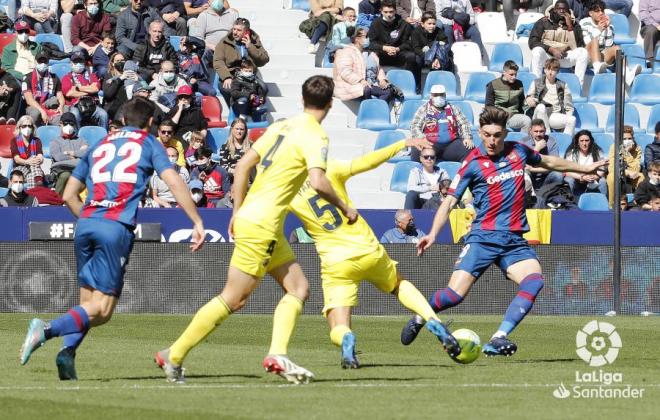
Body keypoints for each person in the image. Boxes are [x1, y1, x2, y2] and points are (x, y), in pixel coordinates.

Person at [154, 75, 358, 385]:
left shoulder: (280, 126)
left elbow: (244, 165)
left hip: (259, 220)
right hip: (264, 224)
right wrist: (345, 207)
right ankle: (175, 354)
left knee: (299, 288)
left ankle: (278, 352)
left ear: (303, 100)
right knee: (233, 299)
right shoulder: (316, 135)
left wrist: (237, 210)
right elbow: (317, 182)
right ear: (331, 104)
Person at [19, 97, 205, 381]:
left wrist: (90, 219)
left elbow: (68, 194)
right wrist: (196, 220)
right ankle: (45, 330)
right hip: (115, 226)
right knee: (103, 310)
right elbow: (174, 180)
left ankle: (67, 355)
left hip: (86, 223)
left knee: (87, 304)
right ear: (151, 122)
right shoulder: (147, 142)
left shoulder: (100, 144)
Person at [400, 106, 608, 356]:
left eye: (497, 134)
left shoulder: (518, 151)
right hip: (483, 238)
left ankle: (498, 338)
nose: (491, 140)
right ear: (480, 132)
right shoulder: (472, 163)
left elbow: (549, 161)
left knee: (534, 281)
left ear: (504, 133)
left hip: (513, 240)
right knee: (453, 296)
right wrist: (433, 233)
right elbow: (448, 202)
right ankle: (420, 317)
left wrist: (584, 168)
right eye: (487, 134)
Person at [289, 135, 462, 367]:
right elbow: (368, 162)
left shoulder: (286, 193)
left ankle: (347, 338)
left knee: (337, 325)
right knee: (398, 284)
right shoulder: (329, 170)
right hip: (366, 247)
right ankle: (432, 319)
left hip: (336, 262)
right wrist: (403, 144)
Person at [528, 0, 588, 86]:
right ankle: (536, 86)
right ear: (554, 10)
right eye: (559, 9)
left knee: (583, 52)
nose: (562, 11)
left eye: (564, 9)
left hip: (564, 57)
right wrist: (551, 49)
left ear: (568, 11)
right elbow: (532, 42)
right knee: (536, 51)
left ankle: (577, 88)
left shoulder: (575, 25)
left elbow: (579, 46)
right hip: (548, 56)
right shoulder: (543, 22)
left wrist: (570, 27)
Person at [410, 84, 474, 163]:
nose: (439, 97)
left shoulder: (453, 108)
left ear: (445, 95)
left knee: (470, 150)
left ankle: (463, 173)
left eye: (441, 95)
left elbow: (464, 123)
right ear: (431, 96)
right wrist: (421, 138)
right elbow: (415, 126)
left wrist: (467, 137)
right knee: (416, 150)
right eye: (436, 95)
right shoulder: (424, 109)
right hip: (429, 143)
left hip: (450, 144)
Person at [213, 18, 270, 105]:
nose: (235, 32)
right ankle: (235, 112)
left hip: (249, 77)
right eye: (234, 29)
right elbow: (218, 60)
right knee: (232, 91)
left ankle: (253, 112)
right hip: (232, 76)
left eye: (239, 30)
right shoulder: (225, 41)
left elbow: (264, 60)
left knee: (264, 88)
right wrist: (226, 77)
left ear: (246, 32)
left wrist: (250, 47)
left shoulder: (254, 40)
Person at [367, 1, 420, 90]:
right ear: (381, 11)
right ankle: (373, 85)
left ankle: (409, 86)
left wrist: (398, 49)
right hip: (382, 54)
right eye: (386, 12)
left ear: (395, 11)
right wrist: (384, 48)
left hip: (398, 53)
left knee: (412, 56)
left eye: (391, 12)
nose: (389, 14)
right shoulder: (375, 23)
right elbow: (371, 44)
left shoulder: (403, 23)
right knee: (371, 56)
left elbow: (409, 42)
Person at [333, 27, 395, 103]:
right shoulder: (346, 52)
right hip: (351, 85)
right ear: (357, 39)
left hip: (370, 84)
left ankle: (377, 110)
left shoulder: (371, 53)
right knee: (366, 90)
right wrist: (361, 80)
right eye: (366, 36)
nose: (368, 39)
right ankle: (368, 110)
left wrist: (382, 80)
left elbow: (379, 70)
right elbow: (345, 72)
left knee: (387, 91)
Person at [526, 58, 576, 135]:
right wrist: (529, 100)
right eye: (548, 69)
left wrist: (565, 120)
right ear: (544, 70)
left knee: (572, 119)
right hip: (539, 115)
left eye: (553, 70)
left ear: (557, 72)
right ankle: (547, 135)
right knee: (541, 107)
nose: (550, 72)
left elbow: (569, 107)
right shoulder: (536, 83)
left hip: (554, 115)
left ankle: (566, 142)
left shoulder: (563, 85)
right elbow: (528, 98)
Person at [61, 49, 109, 129]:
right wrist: (89, 90)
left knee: (103, 114)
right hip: (76, 105)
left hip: (92, 104)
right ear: (71, 63)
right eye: (76, 62)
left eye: (81, 61)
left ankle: (104, 135)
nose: (78, 64)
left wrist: (78, 88)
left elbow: (96, 88)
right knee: (75, 114)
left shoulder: (91, 75)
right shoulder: (67, 77)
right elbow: (69, 93)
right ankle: (78, 136)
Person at [485, 60, 532, 133]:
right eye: (511, 74)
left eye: (515, 74)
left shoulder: (519, 84)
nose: (514, 77)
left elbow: (521, 104)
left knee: (527, 120)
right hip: (499, 118)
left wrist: (528, 103)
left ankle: (522, 143)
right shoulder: (493, 84)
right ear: (504, 72)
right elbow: (488, 106)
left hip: (513, 116)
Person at [49, 112, 89, 196]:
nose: (68, 126)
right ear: (61, 124)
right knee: (65, 175)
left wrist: (72, 153)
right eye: (66, 123)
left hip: (78, 169)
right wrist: (76, 157)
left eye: (71, 123)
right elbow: (58, 157)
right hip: (62, 169)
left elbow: (86, 153)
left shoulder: (81, 140)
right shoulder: (55, 141)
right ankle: (57, 199)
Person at [563, 129, 607, 200]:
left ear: (590, 141)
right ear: (578, 142)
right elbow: (567, 172)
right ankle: (568, 203)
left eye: (587, 140)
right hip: (577, 179)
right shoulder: (571, 153)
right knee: (569, 180)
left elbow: (602, 168)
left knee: (602, 181)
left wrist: (595, 177)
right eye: (582, 141)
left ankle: (604, 203)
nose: (584, 143)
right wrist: (581, 177)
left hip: (593, 179)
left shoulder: (597, 152)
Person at [607, 125, 644, 208]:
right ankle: (611, 205)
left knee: (641, 176)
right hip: (619, 174)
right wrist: (626, 172)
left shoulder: (637, 149)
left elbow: (637, 168)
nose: (627, 141)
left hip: (632, 176)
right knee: (611, 177)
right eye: (624, 139)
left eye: (629, 138)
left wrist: (626, 153)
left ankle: (639, 203)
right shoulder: (614, 147)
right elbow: (611, 168)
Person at [521, 119, 564, 191]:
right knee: (524, 172)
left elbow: (554, 165)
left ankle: (552, 197)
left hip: (546, 177)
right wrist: (536, 149)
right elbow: (521, 164)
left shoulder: (551, 142)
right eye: (536, 131)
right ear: (530, 131)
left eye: (541, 131)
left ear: (545, 130)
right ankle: (528, 197)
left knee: (558, 174)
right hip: (530, 176)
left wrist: (533, 169)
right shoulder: (524, 142)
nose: (538, 134)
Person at [579, 0, 617, 74]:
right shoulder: (584, 23)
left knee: (617, 49)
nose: (601, 13)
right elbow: (586, 42)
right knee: (594, 40)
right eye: (597, 11)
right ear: (590, 13)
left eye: (602, 10)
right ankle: (597, 68)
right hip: (587, 56)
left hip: (601, 56)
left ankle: (626, 72)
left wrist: (607, 27)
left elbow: (608, 46)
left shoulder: (607, 25)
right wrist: (599, 30)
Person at [11, 115, 44, 189]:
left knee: (31, 176)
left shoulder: (37, 141)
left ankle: (31, 198)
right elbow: (17, 159)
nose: (27, 128)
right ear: (19, 127)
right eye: (24, 126)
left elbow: (40, 156)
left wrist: (38, 160)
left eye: (29, 126)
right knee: (33, 160)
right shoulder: (14, 141)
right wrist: (28, 161)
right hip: (19, 168)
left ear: (33, 128)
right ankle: (39, 181)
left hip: (34, 169)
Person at [101, 51, 136, 121]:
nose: (120, 62)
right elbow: (108, 94)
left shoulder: (131, 74)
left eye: (122, 60)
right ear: (113, 63)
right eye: (117, 61)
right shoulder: (109, 76)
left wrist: (137, 79)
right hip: (114, 106)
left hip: (129, 105)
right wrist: (120, 79)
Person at [218, 118, 250, 182]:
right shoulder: (226, 146)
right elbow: (222, 165)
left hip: (247, 176)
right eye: (237, 129)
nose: (239, 131)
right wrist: (234, 171)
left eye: (241, 129)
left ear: (245, 131)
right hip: (232, 176)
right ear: (232, 129)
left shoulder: (251, 146)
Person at [639, 0, 659, 69]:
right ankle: (649, 60)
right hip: (649, 25)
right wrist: (656, 25)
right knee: (651, 30)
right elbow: (643, 15)